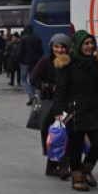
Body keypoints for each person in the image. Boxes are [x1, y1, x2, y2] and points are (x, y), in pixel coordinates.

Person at [52, 30, 98, 192]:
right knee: (76, 145)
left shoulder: (94, 63)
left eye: (91, 43)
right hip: (75, 110)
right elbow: (61, 89)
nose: (90, 46)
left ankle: (86, 170)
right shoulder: (67, 63)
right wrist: (57, 109)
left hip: (93, 109)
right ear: (78, 45)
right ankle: (76, 175)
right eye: (86, 44)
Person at [30, 34, 71, 179]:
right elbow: (33, 79)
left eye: (62, 47)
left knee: (64, 133)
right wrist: (49, 87)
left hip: (65, 103)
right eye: (56, 47)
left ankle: (53, 167)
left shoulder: (70, 63)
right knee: (53, 134)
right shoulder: (45, 62)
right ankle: (62, 166)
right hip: (48, 104)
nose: (59, 50)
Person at [18, 25, 44, 105]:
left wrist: (20, 60)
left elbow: (20, 51)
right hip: (35, 62)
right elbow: (41, 51)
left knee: (23, 80)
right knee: (32, 80)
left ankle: (32, 96)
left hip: (25, 62)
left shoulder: (23, 39)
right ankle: (32, 99)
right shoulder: (37, 38)